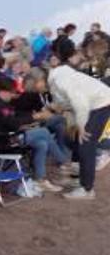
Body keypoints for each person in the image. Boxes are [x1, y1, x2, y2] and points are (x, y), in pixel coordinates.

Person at [0, 76, 71, 193]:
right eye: (11, 93)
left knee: (41, 143)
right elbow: (12, 123)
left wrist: (29, 120)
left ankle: (40, 179)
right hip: (4, 141)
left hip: (6, 136)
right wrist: (35, 117)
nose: (13, 96)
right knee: (43, 132)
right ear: (3, 91)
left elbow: (12, 119)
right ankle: (64, 163)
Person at [47, 62, 110, 199]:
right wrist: (74, 124)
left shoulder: (60, 81)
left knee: (86, 144)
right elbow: (70, 105)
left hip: (99, 104)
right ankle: (76, 179)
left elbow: (80, 105)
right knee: (73, 138)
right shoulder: (57, 78)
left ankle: (87, 189)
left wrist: (81, 126)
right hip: (92, 104)